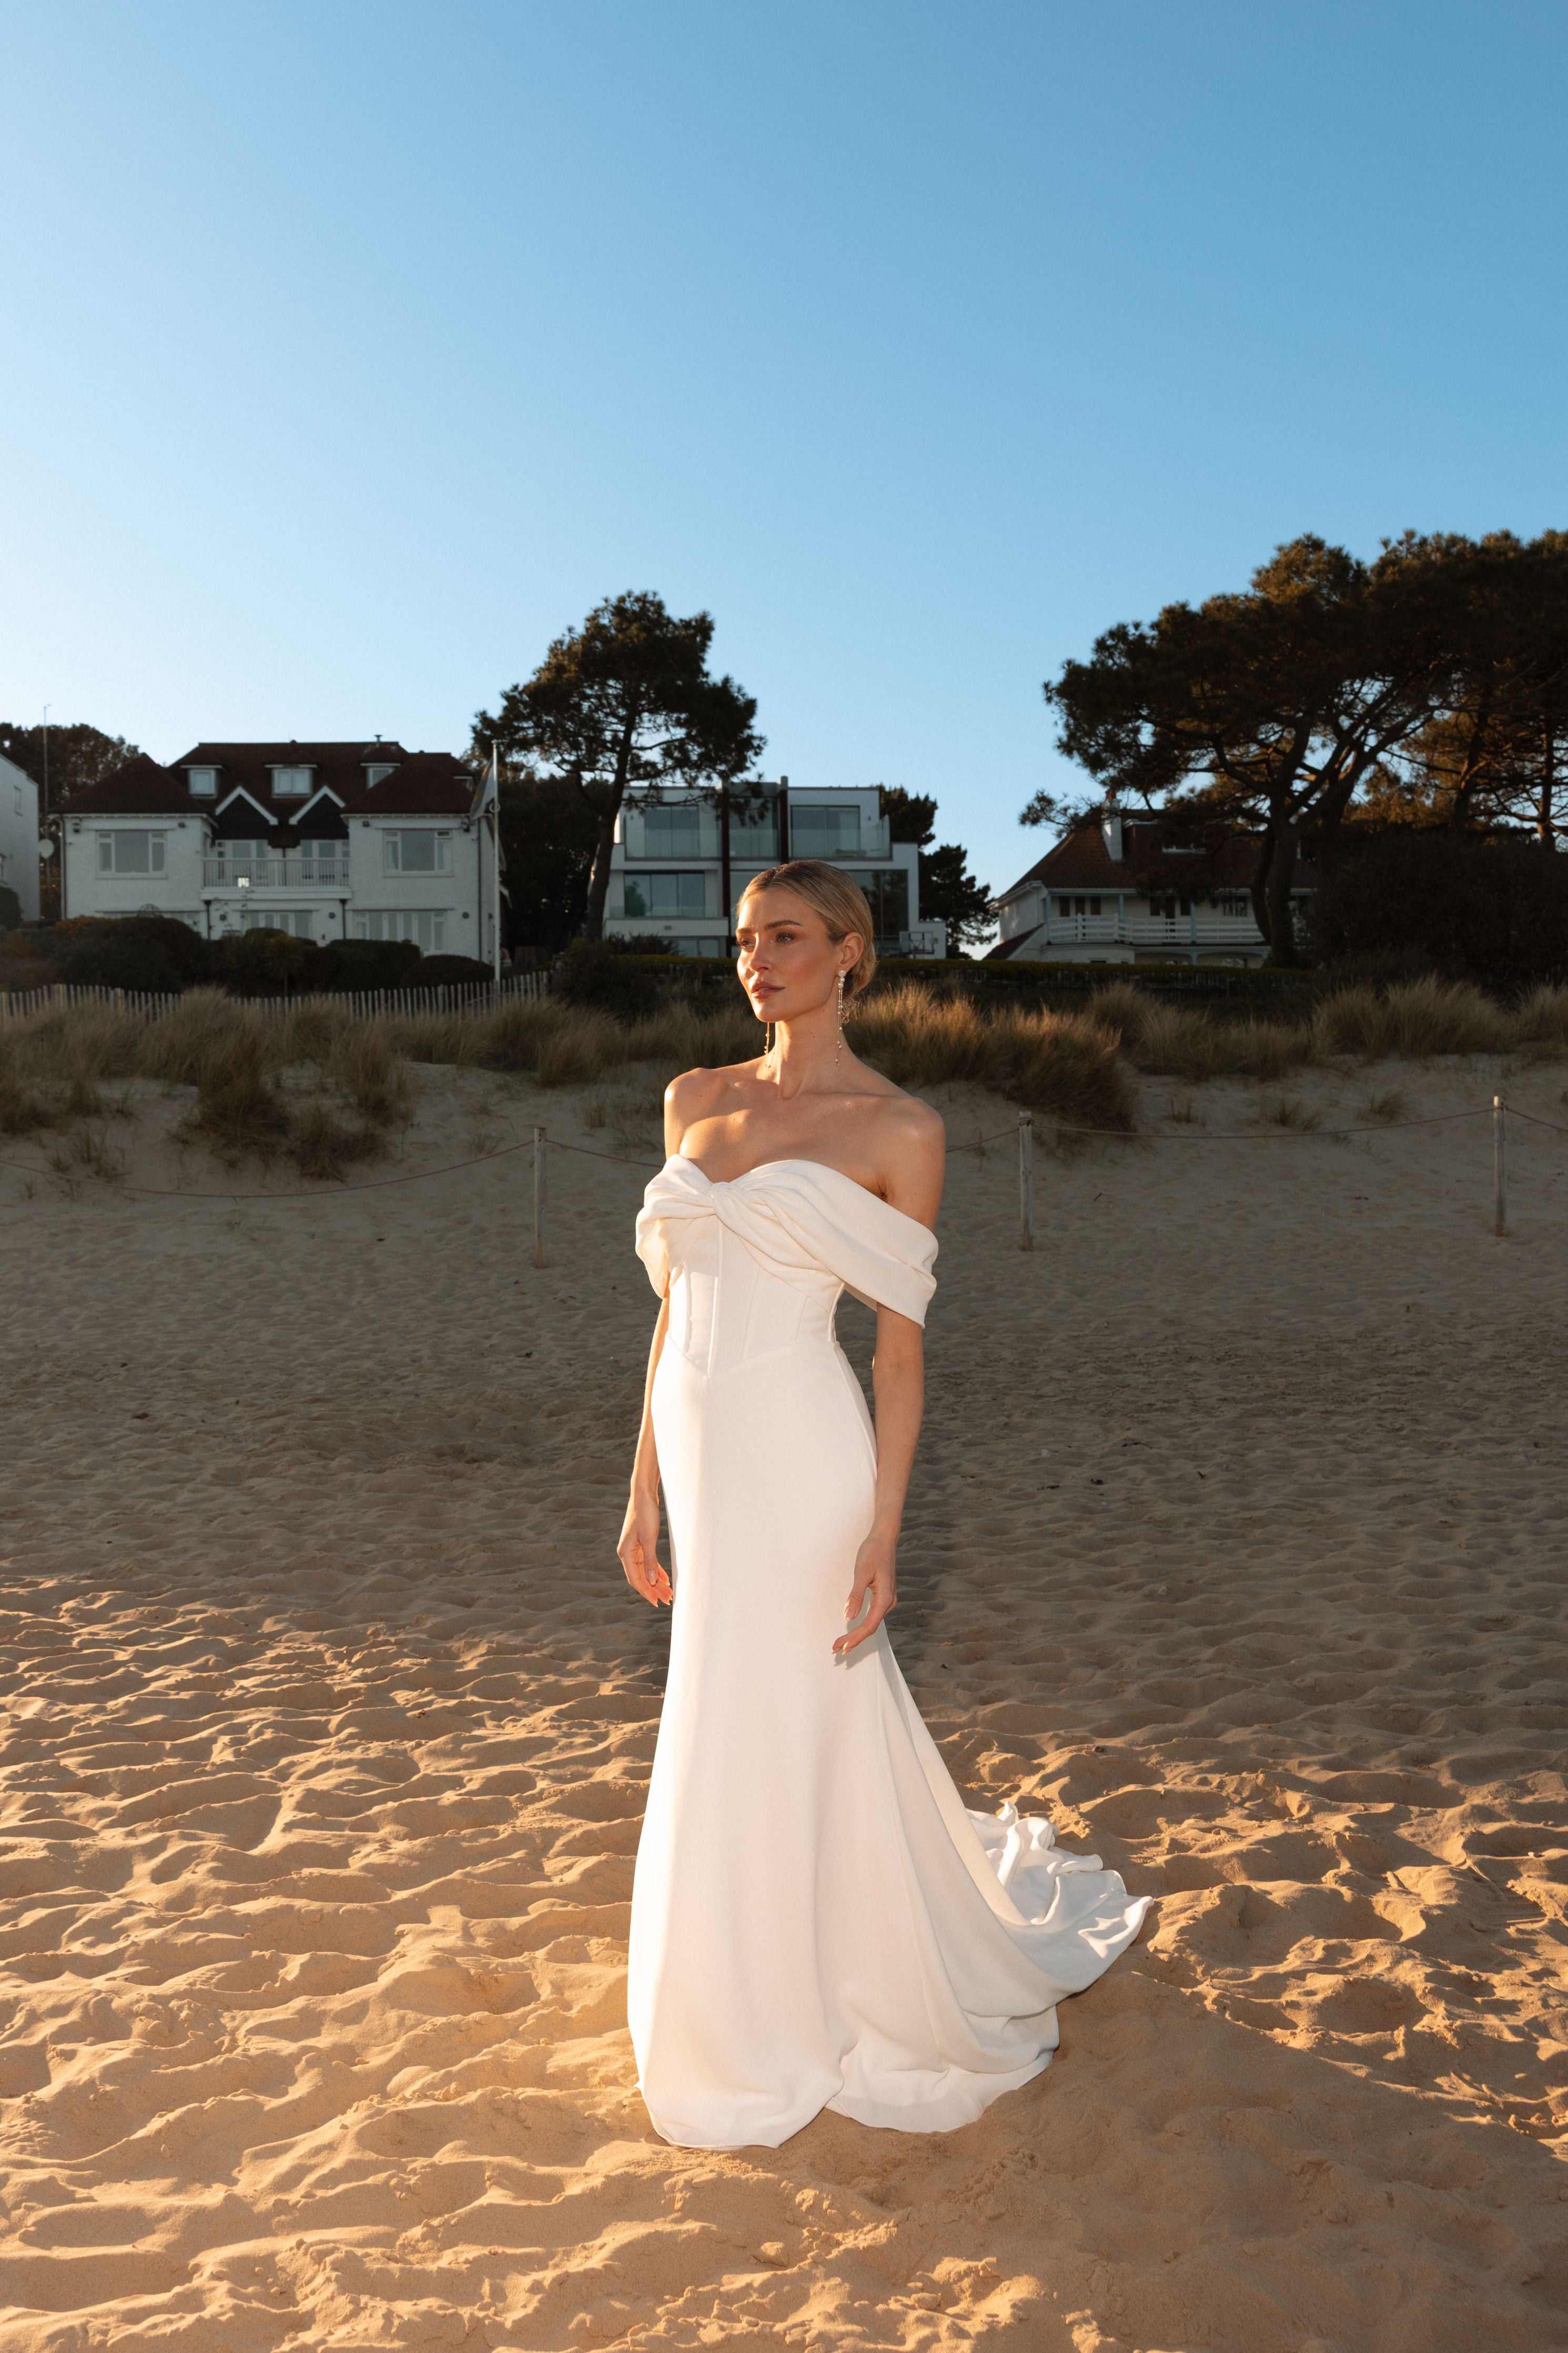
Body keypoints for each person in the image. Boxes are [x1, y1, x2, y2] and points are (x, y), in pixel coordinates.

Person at [619, 860, 1149, 2150]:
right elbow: (670, 1315)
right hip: (697, 1444)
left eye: (788, 937)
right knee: (717, 1691)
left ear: (853, 952)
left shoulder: (900, 1129)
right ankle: (728, 1968)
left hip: (805, 1449)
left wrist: (885, 1530)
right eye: (745, 939)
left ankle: (808, 1980)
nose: (759, 960)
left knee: (795, 1692)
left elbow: (898, 1354)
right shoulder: (693, 1098)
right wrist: (639, 1488)